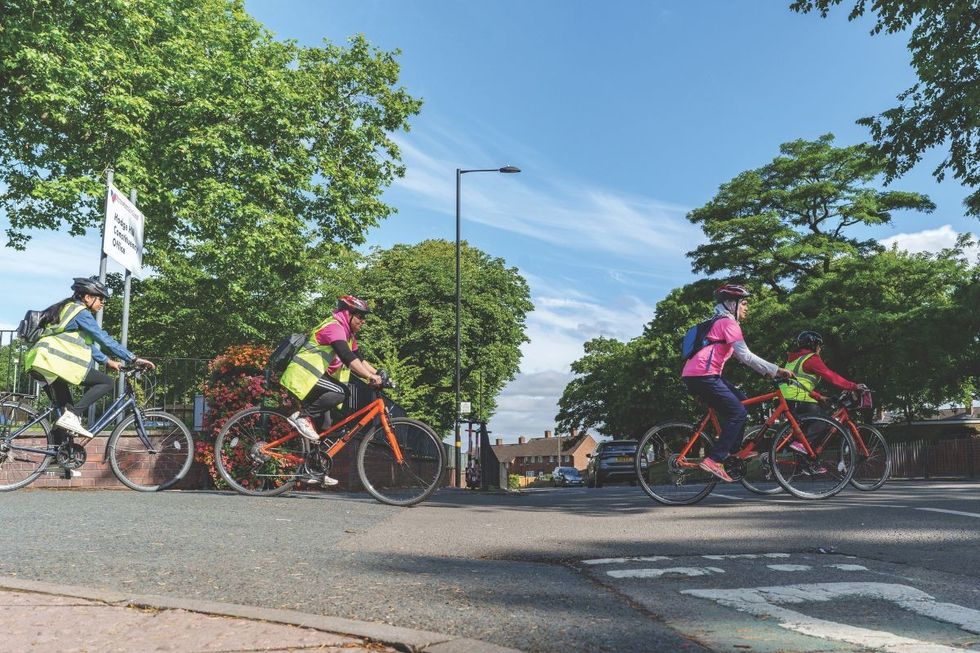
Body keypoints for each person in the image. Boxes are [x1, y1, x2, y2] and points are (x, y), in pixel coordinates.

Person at [681, 283, 794, 482]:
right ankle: (714, 460)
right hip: (703, 375)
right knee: (738, 412)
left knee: (742, 402)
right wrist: (776, 370)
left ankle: (732, 453)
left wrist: (765, 373)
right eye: (744, 303)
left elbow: (741, 359)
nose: (746, 307)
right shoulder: (728, 323)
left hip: (702, 374)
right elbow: (745, 355)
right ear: (731, 304)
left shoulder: (719, 322)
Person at [24, 276, 155, 440]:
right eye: (101, 298)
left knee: (66, 416)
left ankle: (59, 458)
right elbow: (102, 338)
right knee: (106, 382)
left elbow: (89, 344)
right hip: (52, 362)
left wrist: (107, 361)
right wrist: (132, 358)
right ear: (87, 297)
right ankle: (72, 417)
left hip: (40, 361)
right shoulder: (81, 313)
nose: (103, 303)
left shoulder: (67, 309)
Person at [279, 295, 383, 486]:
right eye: (359, 316)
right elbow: (346, 356)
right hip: (303, 376)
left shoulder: (348, 334)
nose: (363, 321)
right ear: (347, 314)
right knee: (341, 392)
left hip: (313, 379)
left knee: (324, 426)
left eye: (364, 318)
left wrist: (379, 374)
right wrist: (369, 377)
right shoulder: (333, 327)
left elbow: (358, 358)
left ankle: (312, 470)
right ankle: (301, 416)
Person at [779, 330, 868, 456]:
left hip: (786, 398)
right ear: (814, 345)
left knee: (804, 431)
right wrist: (853, 386)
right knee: (825, 421)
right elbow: (831, 376)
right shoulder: (811, 358)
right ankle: (801, 445)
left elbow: (799, 383)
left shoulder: (793, 360)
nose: (820, 349)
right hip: (797, 398)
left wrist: (818, 396)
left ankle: (802, 463)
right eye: (819, 346)